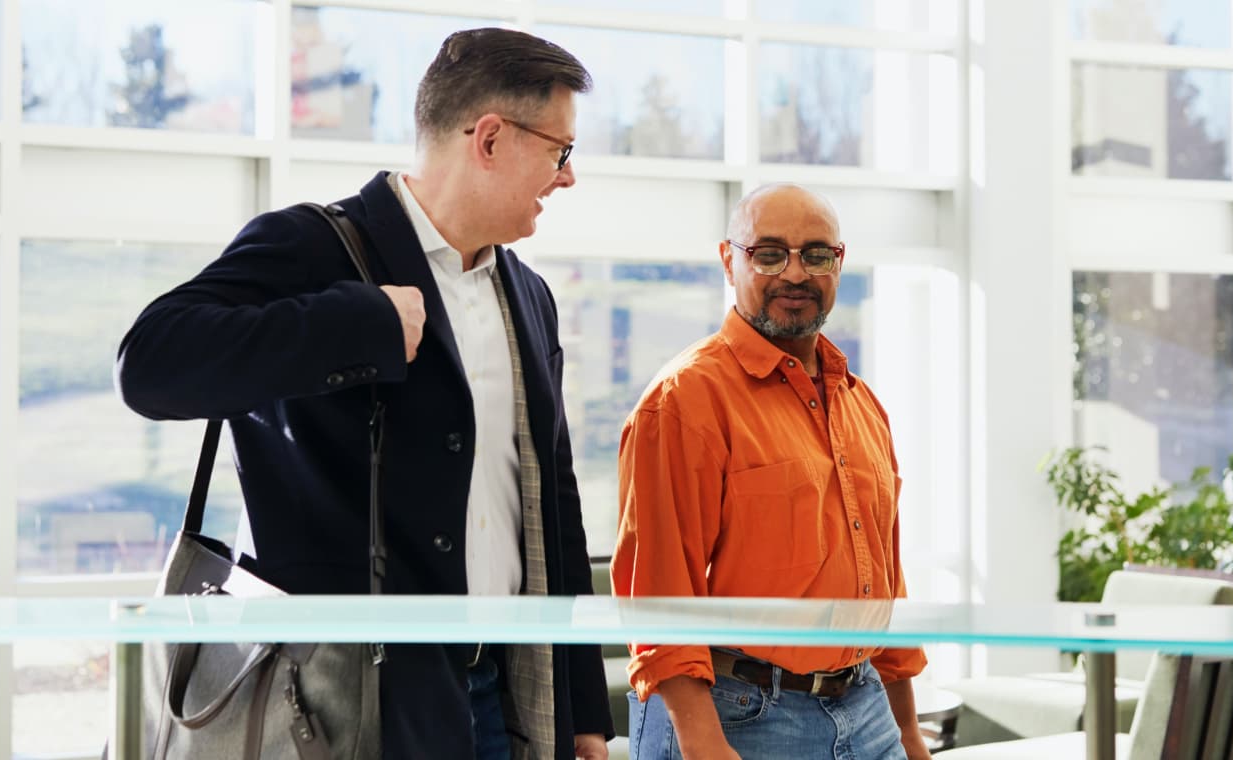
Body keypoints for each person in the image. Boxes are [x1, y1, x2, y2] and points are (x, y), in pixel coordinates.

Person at [115, 28, 611, 760]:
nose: (567, 176)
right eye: (560, 150)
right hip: (343, 703)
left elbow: (550, 505)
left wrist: (581, 716)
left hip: (497, 696)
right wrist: (360, 323)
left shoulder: (530, 297)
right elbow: (150, 363)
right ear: (492, 139)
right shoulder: (312, 247)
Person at [612, 184, 932, 759]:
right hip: (738, 718)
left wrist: (907, 731)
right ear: (728, 260)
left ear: (838, 263)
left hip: (867, 708)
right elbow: (658, 593)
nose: (795, 273)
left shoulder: (862, 405)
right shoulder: (685, 400)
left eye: (815, 254)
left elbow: (883, 584)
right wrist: (704, 744)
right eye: (768, 253)